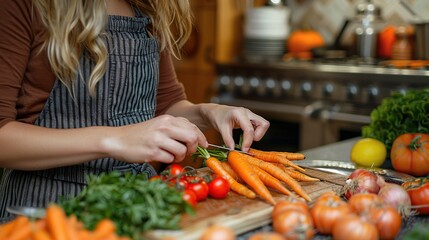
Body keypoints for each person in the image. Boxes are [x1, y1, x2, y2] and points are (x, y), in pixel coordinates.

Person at [0, 0, 270, 222]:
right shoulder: (25, 6)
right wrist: (115, 139)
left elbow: (166, 105)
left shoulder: (150, 7)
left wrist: (208, 112)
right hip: (47, 214)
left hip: (136, 206)